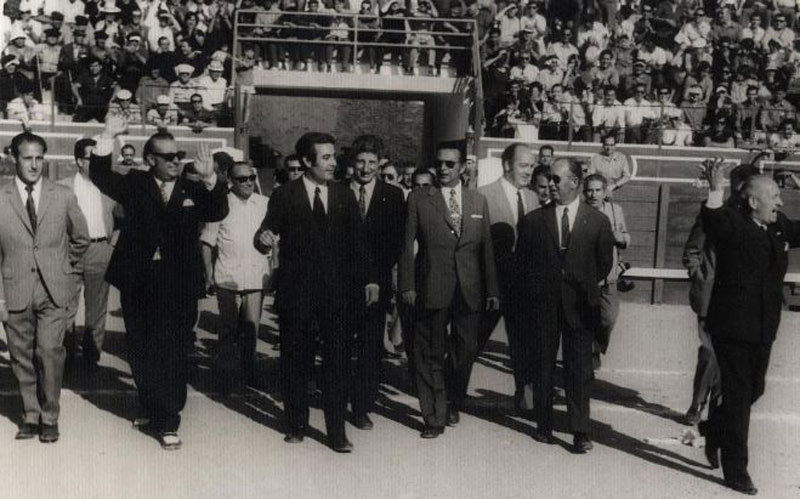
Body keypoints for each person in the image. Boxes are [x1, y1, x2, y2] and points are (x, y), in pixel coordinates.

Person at [88, 117, 229, 450]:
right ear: (150, 159)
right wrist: (107, 136)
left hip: (179, 284)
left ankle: (169, 419)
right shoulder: (136, 183)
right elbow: (101, 175)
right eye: (168, 157)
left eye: (178, 155)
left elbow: (217, 210)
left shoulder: (192, 186)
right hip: (139, 281)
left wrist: (211, 177)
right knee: (140, 348)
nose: (176, 161)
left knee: (174, 349)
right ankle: (150, 406)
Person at [254, 132, 378, 453]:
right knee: (296, 363)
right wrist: (263, 238)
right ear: (307, 161)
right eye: (325, 157)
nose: (333, 163)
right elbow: (265, 231)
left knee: (336, 365)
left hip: (337, 299)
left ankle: (336, 432)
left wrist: (369, 279)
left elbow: (359, 244)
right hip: (297, 297)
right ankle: (296, 424)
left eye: (334, 156)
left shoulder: (343, 195)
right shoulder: (285, 195)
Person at [696, 158, 800, 495]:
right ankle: (736, 470)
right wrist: (715, 189)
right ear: (754, 201)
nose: (780, 202)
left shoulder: (778, 225)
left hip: (764, 325)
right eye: (774, 197)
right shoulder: (733, 223)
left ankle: (713, 429)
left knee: (755, 389)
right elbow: (712, 221)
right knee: (740, 395)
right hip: (732, 325)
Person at [398, 140, 500, 439]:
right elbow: (406, 246)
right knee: (430, 353)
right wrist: (407, 284)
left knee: (465, 351)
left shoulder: (477, 201)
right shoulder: (419, 198)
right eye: (439, 163)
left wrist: (492, 290)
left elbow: (487, 251)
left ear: (463, 167)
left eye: (449, 164)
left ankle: (453, 399)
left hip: (469, 290)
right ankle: (434, 416)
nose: (443, 169)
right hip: (432, 286)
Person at [516, 157, 613, 453]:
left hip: (581, 305)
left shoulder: (597, 221)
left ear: (575, 182)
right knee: (543, 364)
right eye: (550, 180)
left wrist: (577, 284)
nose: (552, 185)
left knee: (579, 369)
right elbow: (524, 264)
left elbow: (603, 264)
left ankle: (580, 430)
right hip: (543, 305)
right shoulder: (533, 221)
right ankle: (543, 424)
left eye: (558, 179)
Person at [0, 132, 90, 443]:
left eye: (40, 158)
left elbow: (81, 238)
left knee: (50, 352)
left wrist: (66, 271)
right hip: (15, 289)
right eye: (27, 158)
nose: (34, 165)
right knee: (21, 356)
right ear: (13, 158)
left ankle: (50, 415)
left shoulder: (62, 195)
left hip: (54, 290)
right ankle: (30, 414)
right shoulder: (1, 199)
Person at [347, 135, 406, 430]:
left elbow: (394, 244)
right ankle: (337, 395)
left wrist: (374, 277)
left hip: (376, 285)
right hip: (341, 285)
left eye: (372, 162)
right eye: (361, 161)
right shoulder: (338, 191)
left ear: (380, 163)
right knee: (341, 345)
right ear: (352, 162)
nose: (366, 168)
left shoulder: (393, 196)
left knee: (370, 347)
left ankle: (361, 406)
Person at [476, 143, 538, 414]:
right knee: (473, 342)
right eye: (524, 165)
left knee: (523, 345)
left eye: (532, 166)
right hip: (490, 286)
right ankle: (451, 395)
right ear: (507, 165)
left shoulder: (534, 199)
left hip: (523, 289)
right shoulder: (482, 195)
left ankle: (525, 397)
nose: (529, 170)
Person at [201, 161, 270, 389]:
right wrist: (208, 274)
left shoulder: (264, 204)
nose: (248, 182)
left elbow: (277, 238)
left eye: (251, 177)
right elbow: (207, 242)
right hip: (227, 276)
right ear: (231, 181)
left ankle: (248, 373)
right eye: (242, 179)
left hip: (255, 275)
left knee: (251, 329)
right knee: (228, 330)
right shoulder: (220, 204)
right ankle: (226, 376)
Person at [58, 138, 117, 370]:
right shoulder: (62, 187)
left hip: (100, 249)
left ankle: (92, 358)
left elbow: (124, 217)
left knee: (97, 308)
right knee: (64, 306)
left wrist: (112, 246)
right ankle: (66, 356)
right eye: (91, 158)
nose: (96, 162)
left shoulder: (109, 187)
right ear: (79, 161)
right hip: (70, 250)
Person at [583, 174, 630, 369]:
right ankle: (587, 358)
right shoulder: (579, 212)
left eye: (597, 190)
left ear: (604, 192)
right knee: (584, 321)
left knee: (608, 319)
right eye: (589, 190)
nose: (593, 195)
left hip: (609, 277)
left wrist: (620, 237)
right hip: (585, 279)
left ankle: (596, 349)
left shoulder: (614, 210)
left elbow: (626, 238)